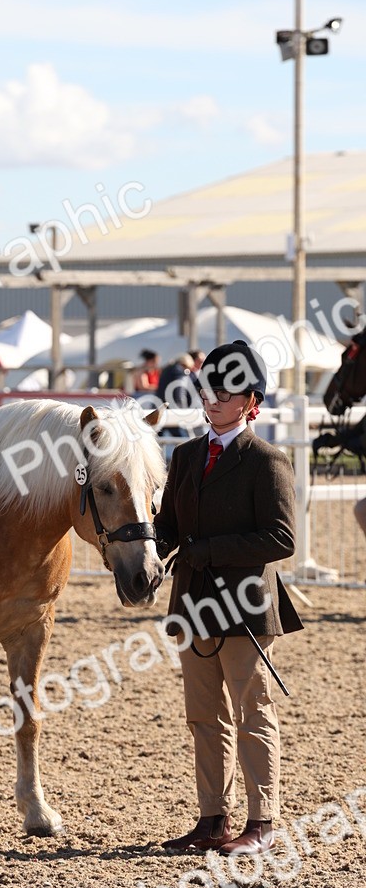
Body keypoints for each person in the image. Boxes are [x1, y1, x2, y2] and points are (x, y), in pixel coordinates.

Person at [154, 339, 303, 857]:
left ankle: (262, 822)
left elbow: (281, 538)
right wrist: (146, 549)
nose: (212, 399)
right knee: (203, 715)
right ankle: (212, 818)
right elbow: (169, 526)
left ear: (251, 402)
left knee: (251, 711)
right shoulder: (185, 456)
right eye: (207, 389)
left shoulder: (267, 460)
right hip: (193, 604)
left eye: (225, 392)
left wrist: (209, 550)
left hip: (244, 606)